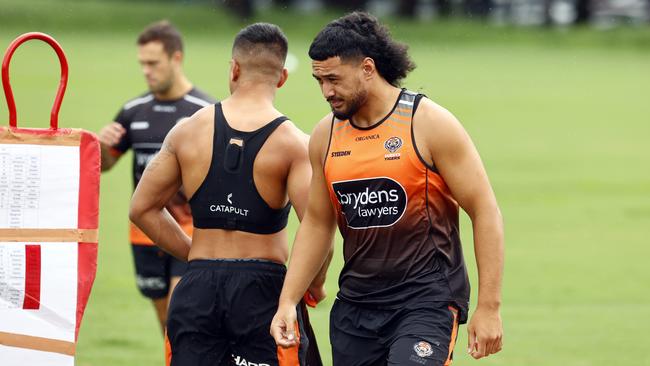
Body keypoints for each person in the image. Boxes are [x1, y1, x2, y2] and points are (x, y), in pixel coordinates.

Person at [271, 11, 504, 366]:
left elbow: (484, 209)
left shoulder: (427, 124)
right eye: (319, 80)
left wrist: (489, 306)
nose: (326, 92)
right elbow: (318, 223)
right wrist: (288, 300)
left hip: (426, 301)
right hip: (356, 309)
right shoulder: (325, 135)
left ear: (368, 68)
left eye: (334, 79)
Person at [129, 23, 330, 366]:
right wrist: (313, 284)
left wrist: (198, 257)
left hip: (197, 288)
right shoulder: (295, 143)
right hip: (263, 291)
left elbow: (142, 209)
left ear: (234, 69)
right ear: (282, 77)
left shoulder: (186, 131)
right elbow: (319, 227)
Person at [98, 20, 216, 334]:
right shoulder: (133, 111)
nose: (146, 71)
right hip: (143, 233)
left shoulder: (205, 112)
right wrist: (100, 147)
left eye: (153, 63)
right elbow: (105, 164)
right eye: (142, 64)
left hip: (190, 231)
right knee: (166, 324)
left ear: (176, 58)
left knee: (182, 317)